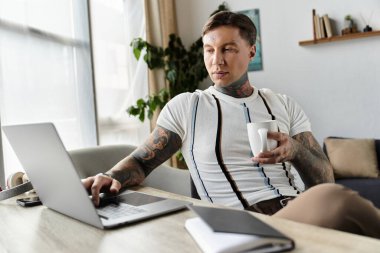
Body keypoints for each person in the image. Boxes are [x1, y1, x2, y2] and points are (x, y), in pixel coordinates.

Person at [82, 11, 380, 238]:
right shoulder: (188, 106)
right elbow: (140, 162)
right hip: (241, 224)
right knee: (338, 200)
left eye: (228, 49)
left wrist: (295, 151)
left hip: (300, 213)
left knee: (332, 199)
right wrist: (109, 176)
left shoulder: (284, 104)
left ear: (251, 51)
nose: (216, 61)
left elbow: (325, 178)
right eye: (209, 50)